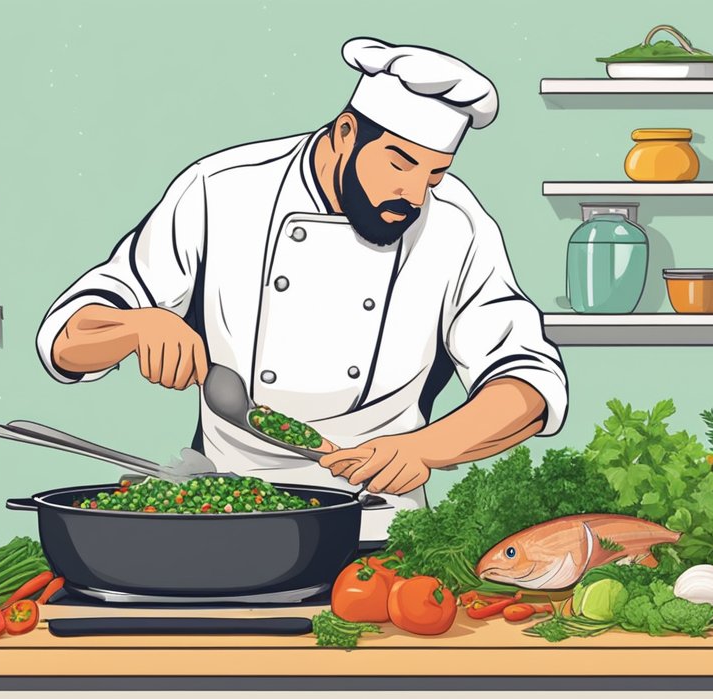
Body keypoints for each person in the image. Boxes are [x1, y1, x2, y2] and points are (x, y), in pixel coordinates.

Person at [37, 37, 567, 545]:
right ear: (343, 133)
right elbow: (66, 339)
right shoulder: (222, 189)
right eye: (398, 164)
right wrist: (137, 325)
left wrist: (426, 449)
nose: (412, 195)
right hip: (228, 512)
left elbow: (528, 382)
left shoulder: (457, 225)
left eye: (434, 175)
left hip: (382, 525)